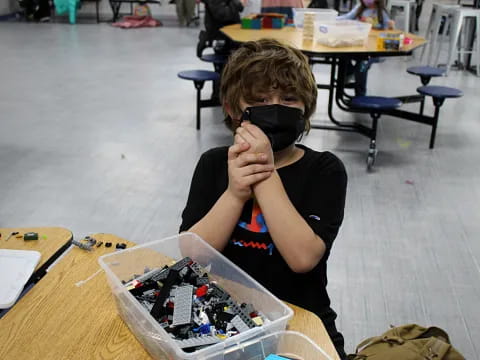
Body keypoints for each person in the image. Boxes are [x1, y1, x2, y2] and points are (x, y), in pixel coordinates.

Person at [180, 39, 348, 359]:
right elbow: (191, 254)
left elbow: (303, 258)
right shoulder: (214, 164)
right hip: (224, 315)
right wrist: (233, 194)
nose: (276, 108)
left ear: (306, 107)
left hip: (300, 319)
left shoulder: (324, 170)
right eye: (260, 100)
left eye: (288, 99)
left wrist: (265, 170)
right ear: (233, 109)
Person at [338, 0, 394, 96]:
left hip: (374, 51)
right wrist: (330, 19)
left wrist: (390, 26)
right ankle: (349, 74)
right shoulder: (359, 8)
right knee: (342, 55)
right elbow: (346, 18)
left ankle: (360, 95)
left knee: (361, 66)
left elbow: (389, 31)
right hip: (358, 47)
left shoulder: (381, 13)